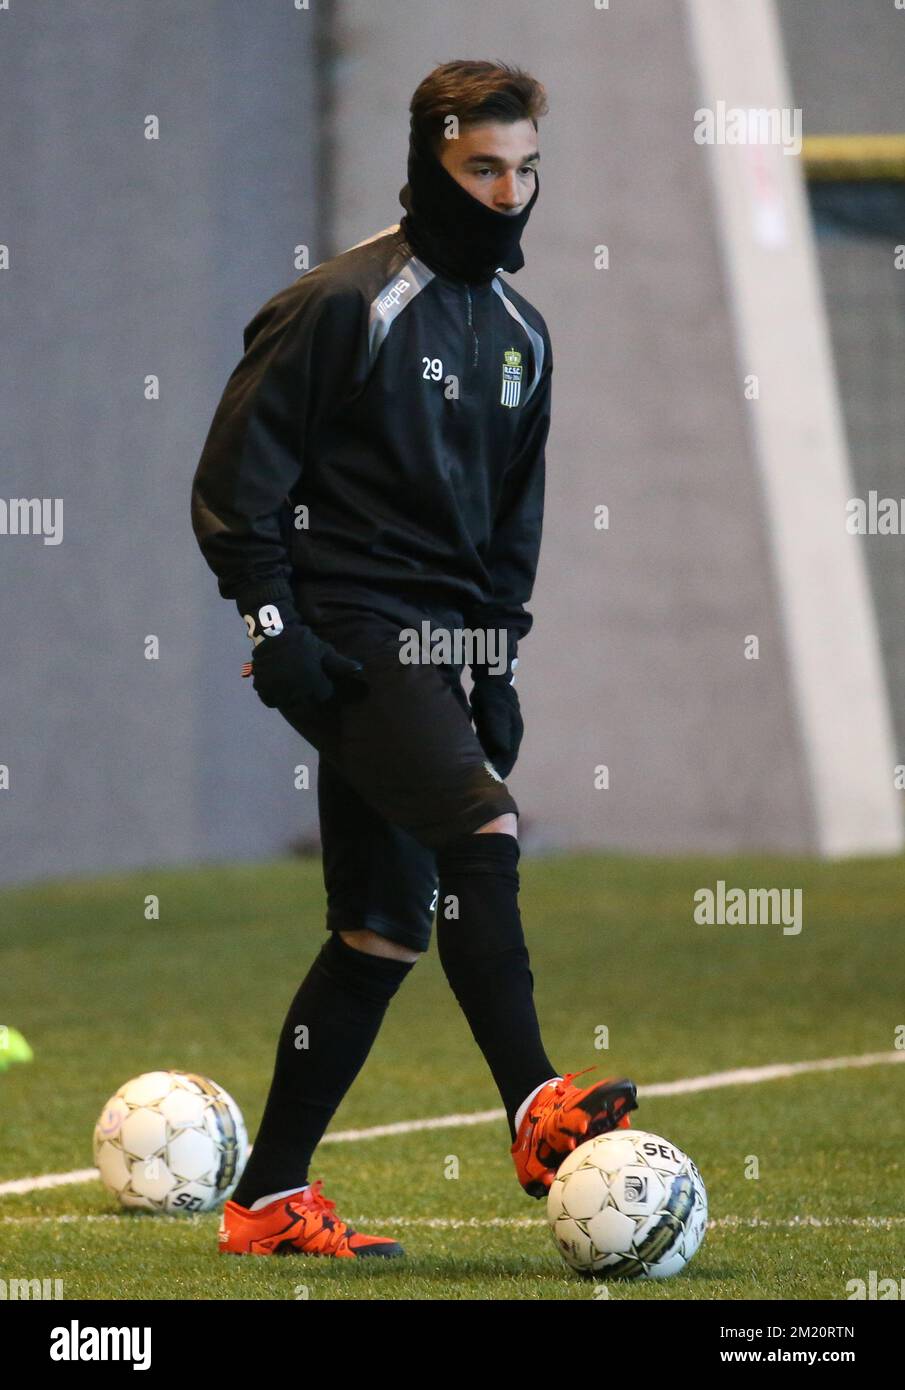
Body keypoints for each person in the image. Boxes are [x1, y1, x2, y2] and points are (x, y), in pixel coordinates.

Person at [191, 59, 638, 1260]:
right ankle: (534, 1104)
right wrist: (271, 626)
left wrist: (493, 668)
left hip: (440, 644)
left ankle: (269, 1198)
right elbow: (239, 480)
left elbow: (508, 528)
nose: (504, 193)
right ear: (427, 162)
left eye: (521, 170)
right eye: (478, 168)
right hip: (342, 620)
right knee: (480, 827)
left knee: (381, 927)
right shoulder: (342, 302)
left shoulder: (521, 337)